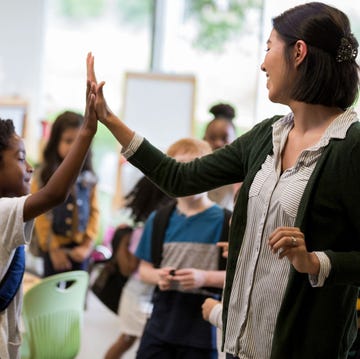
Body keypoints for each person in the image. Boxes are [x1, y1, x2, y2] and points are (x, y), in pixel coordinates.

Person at [87, 1, 360, 356]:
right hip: (236, 346)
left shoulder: (350, 146)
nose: (263, 63)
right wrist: (109, 118)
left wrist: (315, 262)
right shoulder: (267, 136)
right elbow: (180, 178)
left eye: (268, 48)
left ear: (298, 52)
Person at [0, 79, 98, 359]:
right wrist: (88, 130)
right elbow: (54, 195)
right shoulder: (3, 211)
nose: (29, 167)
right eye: (20, 158)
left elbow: (92, 213)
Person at [131, 137, 228, 359]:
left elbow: (241, 277)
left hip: (204, 331)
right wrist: (159, 276)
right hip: (160, 326)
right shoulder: (159, 220)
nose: (186, 176)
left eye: (193, 167)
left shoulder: (227, 222)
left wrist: (204, 278)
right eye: (178, 168)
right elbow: (144, 270)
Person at [104, 176, 174, 359]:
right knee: (135, 341)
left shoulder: (143, 229)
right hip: (137, 295)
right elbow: (131, 267)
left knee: (128, 340)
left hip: (144, 294)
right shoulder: (144, 232)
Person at [31, 111, 100, 277]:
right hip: (52, 249)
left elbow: (95, 211)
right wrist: (53, 248)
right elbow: (40, 215)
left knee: (76, 295)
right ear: (55, 142)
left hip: (80, 250)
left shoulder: (89, 177)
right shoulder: (43, 176)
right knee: (51, 294)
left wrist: (87, 244)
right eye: (69, 141)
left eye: (79, 141)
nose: (74, 146)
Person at [203, 102, 239, 210]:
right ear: (204, 139)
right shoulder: (196, 168)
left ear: (236, 141)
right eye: (212, 138)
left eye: (224, 138)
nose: (218, 143)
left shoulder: (241, 173)